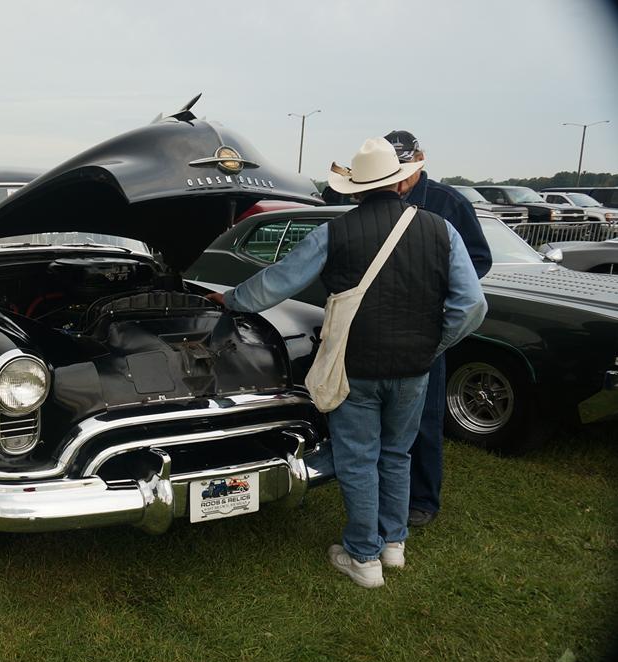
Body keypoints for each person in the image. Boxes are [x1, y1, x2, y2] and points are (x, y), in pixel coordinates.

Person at [205, 138, 487, 588]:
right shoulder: (441, 229)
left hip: (354, 366)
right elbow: (471, 307)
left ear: (355, 190)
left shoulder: (335, 232)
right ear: (399, 183)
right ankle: (393, 545)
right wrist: (432, 347)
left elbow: (279, 282)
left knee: (358, 458)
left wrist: (232, 298)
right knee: (397, 454)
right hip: (415, 369)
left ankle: (363, 557)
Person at [384, 131, 492, 528]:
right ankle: (386, 489)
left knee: (425, 418)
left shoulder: (450, 203)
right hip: (383, 322)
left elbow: (479, 260)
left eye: (405, 169)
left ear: (421, 160)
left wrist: (440, 290)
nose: (398, 179)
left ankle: (423, 500)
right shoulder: (378, 196)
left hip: (428, 323)